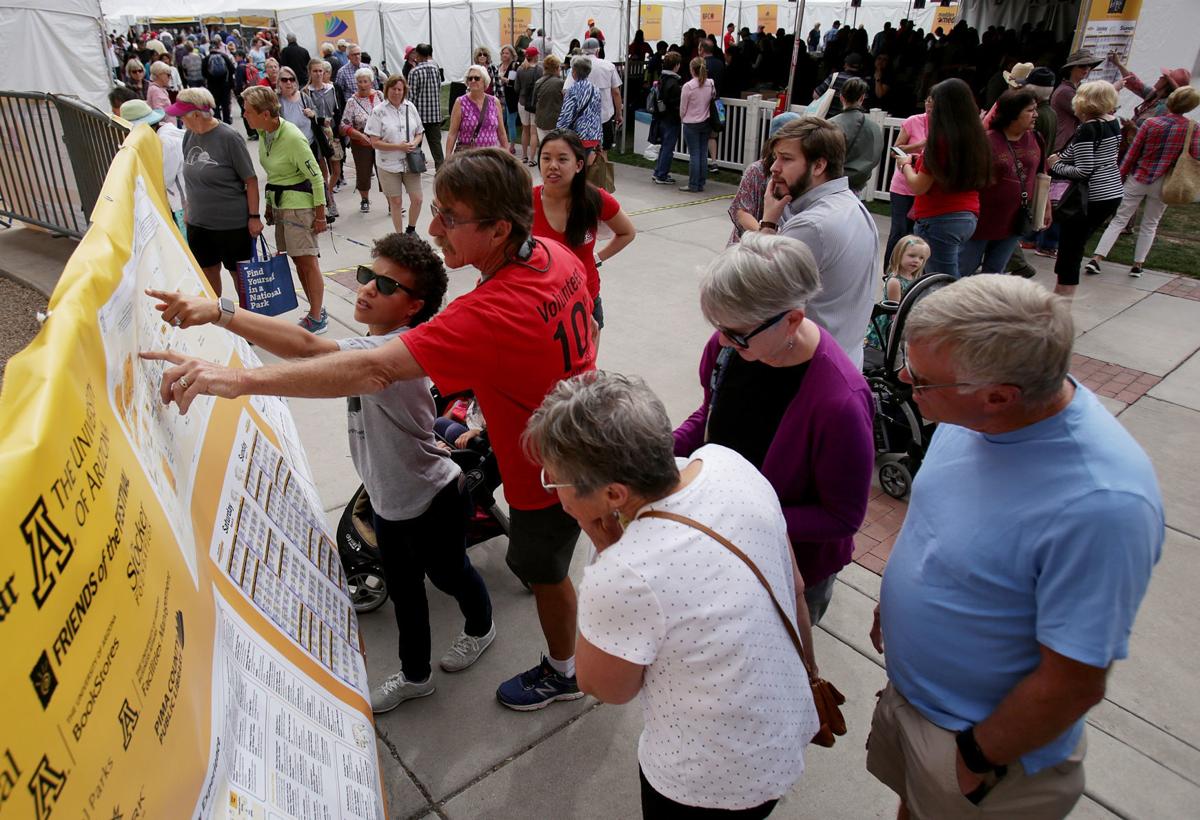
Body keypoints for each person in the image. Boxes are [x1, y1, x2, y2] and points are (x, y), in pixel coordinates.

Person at [143, 148, 598, 714]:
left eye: (449, 217)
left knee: (540, 571)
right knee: (441, 580)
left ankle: (562, 671)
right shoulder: (555, 255)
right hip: (570, 437)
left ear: (500, 228)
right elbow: (587, 320)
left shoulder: (482, 313)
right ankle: (428, 669)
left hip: (546, 471)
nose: (434, 228)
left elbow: (368, 369)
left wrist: (235, 379)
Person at [148, 233, 496, 711]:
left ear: (414, 307)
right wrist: (218, 311)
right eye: (368, 275)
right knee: (405, 594)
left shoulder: (396, 356)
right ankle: (416, 676)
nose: (368, 288)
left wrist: (232, 376)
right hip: (388, 500)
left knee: (451, 574)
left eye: (386, 286)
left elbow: (313, 354)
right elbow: (307, 345)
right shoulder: (372, 344)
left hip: (433, 497)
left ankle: (480, 627)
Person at [866, 275, 1163, 820]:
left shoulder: (1103, 504)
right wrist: (896, 599)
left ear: (1000, 396)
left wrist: (976, 757)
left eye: (922, 378)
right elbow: (937, 518)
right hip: (915, 701)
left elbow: (1072, 683)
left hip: (976, 748)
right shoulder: (974, 411)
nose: (905, 379)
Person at [528, 371, 819, 817]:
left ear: (614, 494)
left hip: (706, 780)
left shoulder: (625, 572)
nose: (554, 490)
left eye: (555, 481)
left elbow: (605, 687)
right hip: (783, 729)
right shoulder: (728, 463)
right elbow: (795, 586)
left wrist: (608, 553)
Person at [675, 231, 874, 624]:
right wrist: (661, 451)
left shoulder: (841, 403)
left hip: (791, 567)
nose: (723, 341)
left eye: (736, 333)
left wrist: (742, 518)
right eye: (719, 327)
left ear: (792, 320)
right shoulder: (729, 347)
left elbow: (842, 518)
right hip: (726, 543)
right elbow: (710, 415)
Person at [757, 117, 878, 368]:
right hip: (844, 360)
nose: (774, 168)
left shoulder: (811, 226)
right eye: (775, 158)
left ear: (819, 165)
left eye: (786, 159)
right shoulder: (852, 205)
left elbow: (754, 292)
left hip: (810, 370)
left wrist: (768, 224)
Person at [241, 85, 328, 334]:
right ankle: (315, 311)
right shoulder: (264, 133)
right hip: (281, 205)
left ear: (265, 114)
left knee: (307, 262)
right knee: (298, 261)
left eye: (248, 111)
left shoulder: (292, 137)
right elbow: (274, 175)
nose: (244, 115)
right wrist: (270, 205)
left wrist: (320, 216)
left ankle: (317, 316)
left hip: (299, 208)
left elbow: (317, 177)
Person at [1088, 85, 1200, 278]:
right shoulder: (1193, 127)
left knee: (1119, 219)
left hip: (1139, 176)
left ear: (1171, 101)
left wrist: (1120, 175)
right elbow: (1197, 155)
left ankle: (1096, 259)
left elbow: (1133, 153)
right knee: (1150, 223)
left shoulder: (1150, 123)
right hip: (1165, 181)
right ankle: (1137, 265)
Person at [533, 129, 636, 330]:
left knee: (587, 352)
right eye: (546, 158)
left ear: (579, 165)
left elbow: (627, 232)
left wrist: (597, 258)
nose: (552, 165)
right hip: (542, 306)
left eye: (562, 159)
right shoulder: (524, 201)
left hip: (586, 302)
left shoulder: (594, 198)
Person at [167, 88, 261, 297]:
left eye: (183, 115)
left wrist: (254, 217)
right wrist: (188, 210)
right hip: (199, 224)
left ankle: (248, 317)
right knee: (207, 274)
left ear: (196, 115)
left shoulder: (229, 138)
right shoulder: (189, 135)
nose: (180, 119)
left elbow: (250, 180)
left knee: (241, 279)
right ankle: (215, 314)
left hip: (231, 225)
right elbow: (189, 177)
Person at [895, 78, 991, 278]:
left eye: (934, 103)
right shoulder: (976, 138)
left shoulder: (940, 141)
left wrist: (905, 165)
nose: (930, 108)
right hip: (967, 215)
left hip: (939, 218)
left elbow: (919, 186)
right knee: (946, 275)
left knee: (941, 282)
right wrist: (918, 160)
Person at [960, 88, 1047, 276]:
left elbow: (1041, 174)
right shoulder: (986, 141)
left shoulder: (1036, 138)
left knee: (995, 273)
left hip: (1014, 220)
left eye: (1035, 109)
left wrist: (1045, 206)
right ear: (1013, 113)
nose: (1036, 115)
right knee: (962, 270)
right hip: (981, 221)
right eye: (1030, 110)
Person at [1049, 80, 1123, 298]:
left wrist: (1055, 164)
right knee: (1075, 245)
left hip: (1091, 197)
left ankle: (1062, 300)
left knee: (1070, 249)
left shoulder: (1088, 129)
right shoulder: (1113, 122)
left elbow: (1083, 170)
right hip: (1112, 191)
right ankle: (1062, 296)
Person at [366, 74, 425, 237]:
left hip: (410, 162)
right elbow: (374, 142)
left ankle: (411, 229)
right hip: (388, 164)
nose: (397, 92)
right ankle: (399, 235)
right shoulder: (378, 111)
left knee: (417, 199)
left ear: (404, 90)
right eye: (393, 89)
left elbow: (419, 132)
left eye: (400, 89)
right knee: (396, 201)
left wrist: (414, 143)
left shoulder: (410, 107)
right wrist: (398, 147)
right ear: (387, 90)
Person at [726, 112, 799, 244]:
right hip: (752, 244)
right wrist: (767, 234)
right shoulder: (756, 171)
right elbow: (742, 213)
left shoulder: (803, 173)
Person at [120, 99, 186, 231]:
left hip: (182, 203)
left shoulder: (165, 141)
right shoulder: (164, 134)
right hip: (183, 199)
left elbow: (165, 179)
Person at [883, 93, 931, 264]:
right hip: (902, 186)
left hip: (925, 186)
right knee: (899, 230)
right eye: (928, 102)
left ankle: (910, 272)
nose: (930, 107)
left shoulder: (945, 125)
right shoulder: (913, 121)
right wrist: (919, 146)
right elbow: (894, 150)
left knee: (916, 235)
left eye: (935, 103)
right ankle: (889, 270)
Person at [866, 235, 930, 351]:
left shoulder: (914, 278)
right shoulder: (895, 282)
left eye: (921, 258)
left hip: (908, 318)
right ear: (899, 255)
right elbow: (896, 311)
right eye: (912, 256)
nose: (916, 260)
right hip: (892, 324)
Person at [564, 39, 623, 160]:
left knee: (583, 152)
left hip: (583, 118)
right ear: (598, 51)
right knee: (603, 152)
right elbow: (616, 92)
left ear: (583, 51)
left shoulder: (577, 66)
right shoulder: (608, 66)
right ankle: (601, 171)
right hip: (604, 116)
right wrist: (619, 113)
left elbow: (566, 91)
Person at [829, 77, 884, 195]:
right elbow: (875, 157)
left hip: (831, 183)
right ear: (862, 98)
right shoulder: (874, 128)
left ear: (841, 97)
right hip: (856, 185)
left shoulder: (830, 125)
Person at [341, 67, 384, 214]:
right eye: (359, 82)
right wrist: (359, 135)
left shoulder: (380, 95)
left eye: (365, 81)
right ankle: (365, 199)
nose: (362, 85)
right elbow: (344, 125)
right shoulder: (352, 101)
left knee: (385, 172)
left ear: (371, 82)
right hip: (361, 144)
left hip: (381, 142)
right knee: (363, 173)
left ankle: (392, 202)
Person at [305, 58, 343, 217]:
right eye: (315, 71)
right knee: (322, 172)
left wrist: (339, 134)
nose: (319, 74)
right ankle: (329, 202)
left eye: (321, 71)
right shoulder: (306, 92)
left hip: (332, 133)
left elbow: (338, 110)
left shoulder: (331, 89)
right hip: (317, 135)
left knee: (337, 170)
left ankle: (329, 193)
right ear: (310, 72)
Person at [1109, 58, 1191, 128]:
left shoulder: (1165, 108)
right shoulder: (1155, 95)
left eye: (1164, 77)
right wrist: (1119, 64)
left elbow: (1152, 134)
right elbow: (1135, 83)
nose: (1160, 77)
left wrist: (1132, 126)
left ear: (1168, 85)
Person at [446, 65, 507, 155]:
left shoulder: (494, 102)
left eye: (477, 78)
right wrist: (448, 157)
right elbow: (452, 134)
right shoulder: (460, 102)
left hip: (491, 157)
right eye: (470, 78)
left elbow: (501, 133)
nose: (473, 81)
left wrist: (507, 156)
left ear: (484, 81)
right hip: (469, 158)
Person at [1051, 50, 1102, 152]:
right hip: (1063, 146)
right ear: (1071, 69)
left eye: (1089, 66)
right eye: (1082, 66)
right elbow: (1088, 113)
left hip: (1071, 145)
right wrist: (1112, 90)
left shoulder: (1078, 89)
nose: (1086, 69)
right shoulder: (1065, 91)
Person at [678, 57, 715, 193]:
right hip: (705, 121)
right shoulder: (710, 83)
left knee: (694, 154)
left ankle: (693, 184)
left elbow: (683, 108)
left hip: (691, 122)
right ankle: (700, 182)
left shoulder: (688, 86)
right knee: (702, 153)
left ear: (692, 70)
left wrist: (682, 118)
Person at [649, 52, 684, 186]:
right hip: (671, 118)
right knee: (668, 148)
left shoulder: (661, 79)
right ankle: (662, 175)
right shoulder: (673, 83)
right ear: (676, 65)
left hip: (661, 117)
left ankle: (658, 171)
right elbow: (674, 103)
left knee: (664, 147)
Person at [408, 44, 445, 170]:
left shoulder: (414, 72)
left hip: (418, 116)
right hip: (434, 115)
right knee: (436, 146)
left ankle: (416, 169)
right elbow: (439, 89)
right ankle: (441, 171)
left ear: (418, 55)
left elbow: (411, 96)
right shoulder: (435, 69)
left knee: (415, 146)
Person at [556, 57, 603, 155]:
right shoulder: (596, 89)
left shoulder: (572, 90)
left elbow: (566, 115)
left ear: (574, 72)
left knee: (576, 162)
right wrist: (599, 137)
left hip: (577, 136)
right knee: (584, 161)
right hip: (593, 135)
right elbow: (598, 114)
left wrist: (558, 133)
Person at [515, 47, 543, 165]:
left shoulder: (520, 69)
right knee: (533, 132)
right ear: (535, 56)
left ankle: (524, 156)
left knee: (525, 130)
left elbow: (516, 88)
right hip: (535, 103)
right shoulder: (540, 70)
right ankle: (532, 158)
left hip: (522, 102)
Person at [812, 53, 862, 118]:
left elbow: (816, 95)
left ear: (846, 64)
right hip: (849, 120)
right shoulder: (861, 83)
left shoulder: (834, 77)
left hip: (829, 119)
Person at [532, 55, 565, 146]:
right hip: (555, 121)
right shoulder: (560, 83)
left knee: (544, 146)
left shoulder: (538, 82)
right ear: (556, 68)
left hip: (541, 120)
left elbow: (534, 100)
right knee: (556, 147)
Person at [203, 37, 235, 124]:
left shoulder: (206, 59)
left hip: (212, 86)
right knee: (225, 104)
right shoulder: (224, 56)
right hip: (225, 85)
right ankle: (227, 121)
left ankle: (218, 121)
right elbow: (232, 69)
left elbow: (203, 73)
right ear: (218, 48)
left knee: (215, 104)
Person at [497, 45, 522, 148]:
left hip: (511, 98)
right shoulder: (499, 66)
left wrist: (503, 79)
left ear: (512, 55)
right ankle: (500, 144)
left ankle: (511, 146)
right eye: (503, 53)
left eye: (507, 53)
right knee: (499, 122)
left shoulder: (514, 66)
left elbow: (512, 83)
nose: (504, 55)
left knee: (510, 122)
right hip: (499, 97)